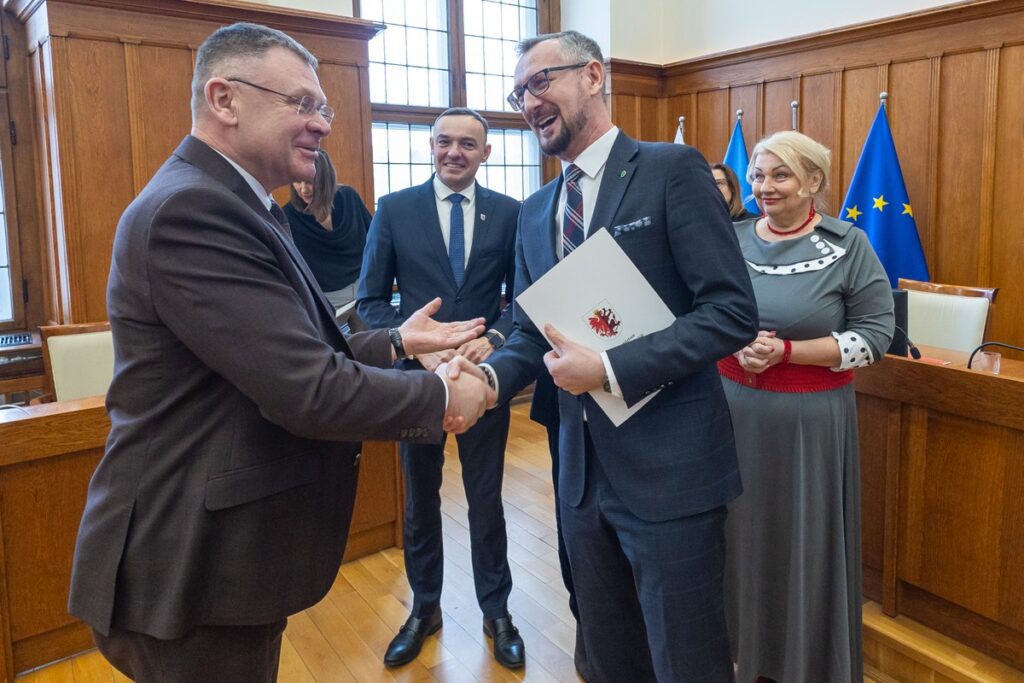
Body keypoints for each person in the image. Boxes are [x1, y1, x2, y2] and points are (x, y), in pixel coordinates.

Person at [67, 23, 494, 682]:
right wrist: (445, 394)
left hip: (225, 560)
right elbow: (308, 388)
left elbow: (282, 345)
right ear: (224, 98)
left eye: (322, 106)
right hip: (188, 565)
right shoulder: (193, 210)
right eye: (301, 103)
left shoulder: (243, 202)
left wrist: (396, 341)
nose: (322, 124)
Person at [452, 30, 759, 681]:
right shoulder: (537, 213)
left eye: (540, 82)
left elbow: (731, 313)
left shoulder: (671, 171)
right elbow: (534, 333)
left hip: (671, 472)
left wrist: (612, 369)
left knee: (687, 660)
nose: (527, 102)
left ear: (593, 74)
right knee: (609, 658)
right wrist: (484, 380)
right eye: (518, 92)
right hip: (579, 477)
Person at [718, 130, 894, 683]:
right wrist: (733, 343)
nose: (763, 187)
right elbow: (700, 309)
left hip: (807, 428)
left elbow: (876, 336)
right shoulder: (731, 235)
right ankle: (735, 652)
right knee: (733, 538)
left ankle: (798, 662)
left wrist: (789, 352)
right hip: (728, 415)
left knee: (799, 543)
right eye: (758, 175)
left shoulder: (850, 246)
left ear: (813, 182)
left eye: (780, 176)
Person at [356, 107, 525, 669]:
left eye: (468, 144)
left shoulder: (510, 213)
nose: (455, 152)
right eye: (445, 142)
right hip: (416, 386)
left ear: (486, 153)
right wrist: (418, 348)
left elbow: (521, 297)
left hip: (482, 382)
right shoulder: (394, 209)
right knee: (421, 501)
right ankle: (424, 606)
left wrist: (493, 340)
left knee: (485, 499)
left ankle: (496, 610)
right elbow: (370, 304)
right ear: (431, 145)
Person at [284, 149, 371, 317]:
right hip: (326, 297)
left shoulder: (349, 197)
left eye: (310, 182)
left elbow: (373, 239)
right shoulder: (288, 216)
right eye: (297, 182)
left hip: (362, 286)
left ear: (325, 179)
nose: (303, 189)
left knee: (374, 339)